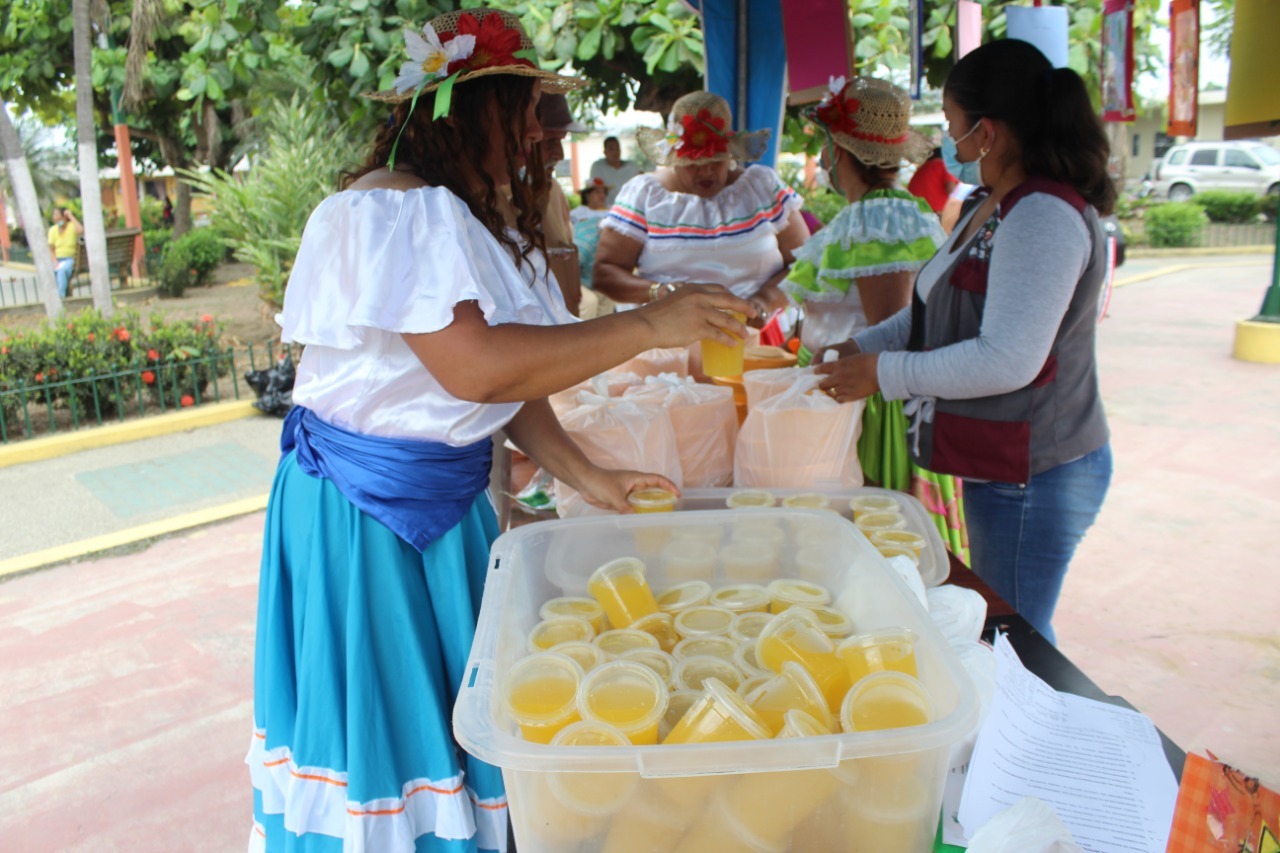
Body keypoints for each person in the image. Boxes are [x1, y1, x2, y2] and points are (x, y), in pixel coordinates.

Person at [246, 10, 754, 853]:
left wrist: (589, 476)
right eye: (525, 117)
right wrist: (648, 326)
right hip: (370, 516)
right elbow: (475, 369)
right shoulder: (392, 208)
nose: (537, 139)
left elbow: (508, 382)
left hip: (434, 508)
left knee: (455, 714)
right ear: (474, 115)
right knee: (390, 728)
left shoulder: (457, 214)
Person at [815, 39, 1115, 644]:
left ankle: (1035, 708)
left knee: (1017, 636)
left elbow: (1007, 359)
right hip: (999, 463)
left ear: (987, 131)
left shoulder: (1043, 217)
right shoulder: (989, 204)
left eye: (953, 122)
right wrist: (859, 348)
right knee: (1006, 619)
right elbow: (930, 311)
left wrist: (884, 373)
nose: (948, 138)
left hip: (1035, 469)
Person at [781, 77, 966, 560]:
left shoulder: (876, 219)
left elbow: (892, 325)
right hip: (850, 391)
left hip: (865, 404)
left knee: (869, 534)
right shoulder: (888, 213)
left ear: (840, 150)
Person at [592, 90, 809, 328]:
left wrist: (764, 301)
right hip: (666, 339)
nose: (706, 171)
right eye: (693, 163)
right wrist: (661, 292)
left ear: (730, 154)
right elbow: (605, 273)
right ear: (674, 159)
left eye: (716, 160)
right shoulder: (644, 195)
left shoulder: (761, 187)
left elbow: (805, 262)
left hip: (754, 335)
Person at [529, 93, 587, 317]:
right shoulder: (493, 199)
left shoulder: (553, 190)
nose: (560, 155)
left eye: (561, 141)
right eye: (550, 142)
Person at [589, 136, 641, 206]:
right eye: (611, 149)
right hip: (607, 208)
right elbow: (594, 189)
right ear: (605, 152)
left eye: (617, 148)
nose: (615, 152)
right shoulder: (598, 167)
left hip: (631, 207)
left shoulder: (632, 166)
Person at [907, 146, 958, 214]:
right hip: (931, 212)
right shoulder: (946, 166)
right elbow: (951, 190)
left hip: (912, 206)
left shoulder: (924, 167)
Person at [47, 207, 82, 298]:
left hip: (69, 259)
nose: (55, 218)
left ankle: (61, 296)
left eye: (57, 215)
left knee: (62, 271)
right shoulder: (52, 230)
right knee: (54, 272)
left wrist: (70, 216)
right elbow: (51, 250)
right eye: (54, 215)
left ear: (64, 216)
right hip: (57, 260)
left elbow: (80, 230)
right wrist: (55, 262)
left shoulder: (71, 226)